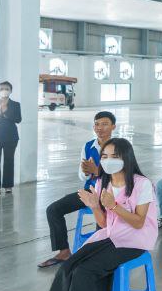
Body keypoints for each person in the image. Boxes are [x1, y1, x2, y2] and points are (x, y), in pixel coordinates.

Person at [18, 138, 156, 291]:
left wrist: (114, 205)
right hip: (110, 236)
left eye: (114, 156)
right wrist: (94, 206)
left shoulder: (142, 184)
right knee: (67, 267)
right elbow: (103, 224)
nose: (109, 161)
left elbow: (139, 222)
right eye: (105, 157)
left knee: (86, 271)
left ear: (127, 157)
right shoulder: (102, 183)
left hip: (134, 240)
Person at [40, 111, 115, 269]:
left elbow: (122, 174)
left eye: (104, 124)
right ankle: (64, 252)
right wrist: (87, 172)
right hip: (89, 192)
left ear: (113, 127)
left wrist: (98, 171)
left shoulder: (119, 147)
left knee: (102, 220)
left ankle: (99, 256)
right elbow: (82, 175)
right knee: (53, 209)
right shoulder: (88, 146)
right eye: (97, 124)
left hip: (110, 194)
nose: (99, 128)